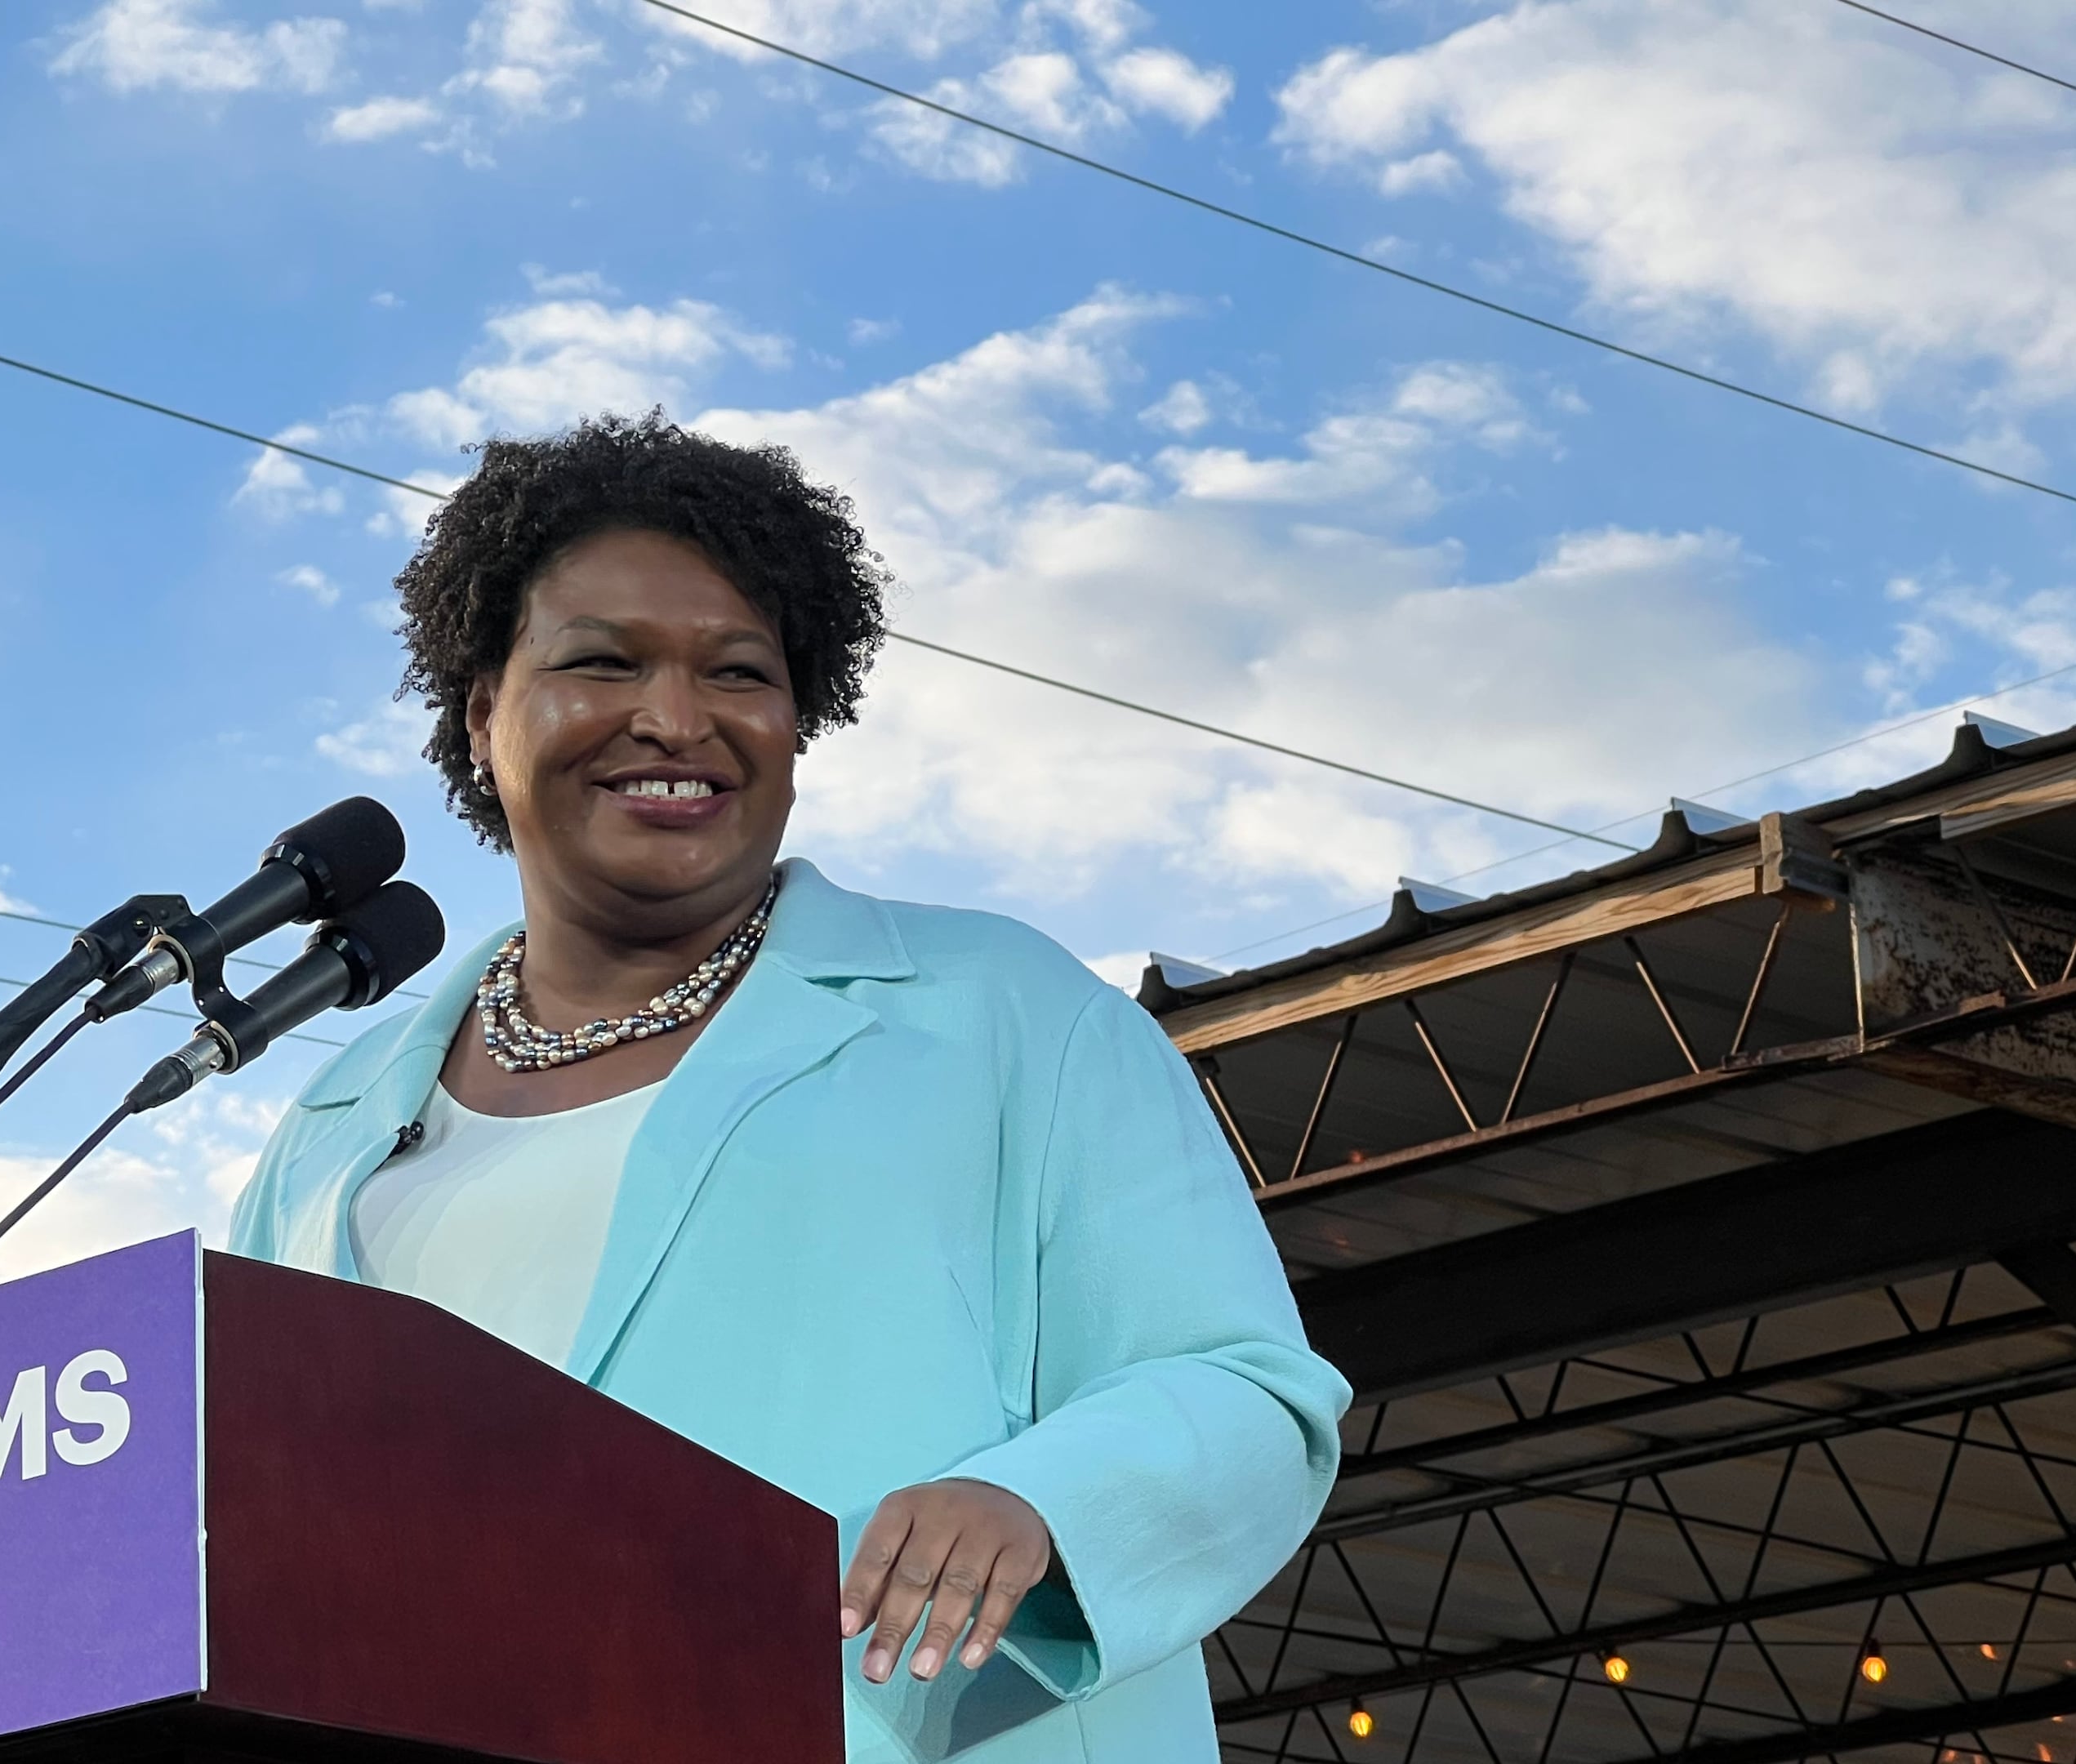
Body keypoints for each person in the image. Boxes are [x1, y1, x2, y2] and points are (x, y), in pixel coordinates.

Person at [225, 413, 1348, 1763]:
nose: (677, 719)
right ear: (482, 715)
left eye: (740, 673)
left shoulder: (1006, 1016)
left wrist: (1041, 1502)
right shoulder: (330, 1133)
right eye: (602, 662)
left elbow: (1246, 1390)